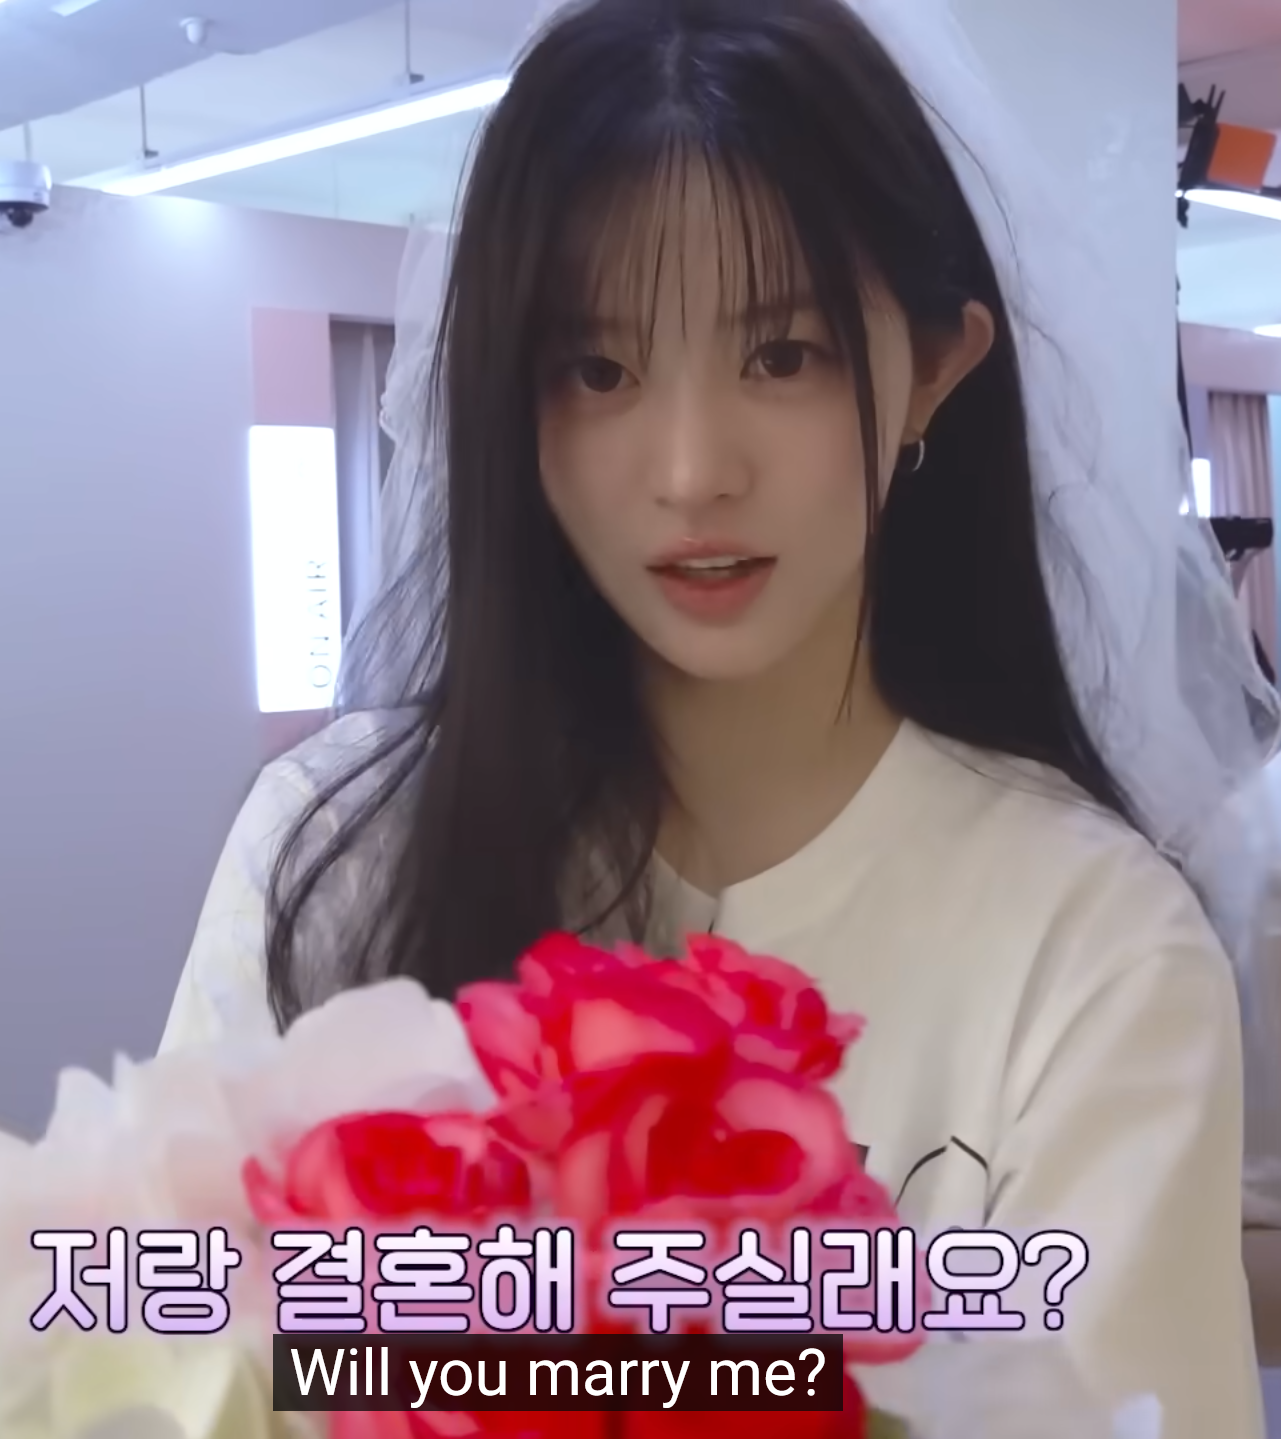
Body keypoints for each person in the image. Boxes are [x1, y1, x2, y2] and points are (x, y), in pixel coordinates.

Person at [161, 0, 1277, 1431]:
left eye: (783, 355)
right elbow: (163, 1367)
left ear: (934, 367)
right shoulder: (332, 856)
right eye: (600, 370)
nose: (692, 471)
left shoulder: (1096, 949)